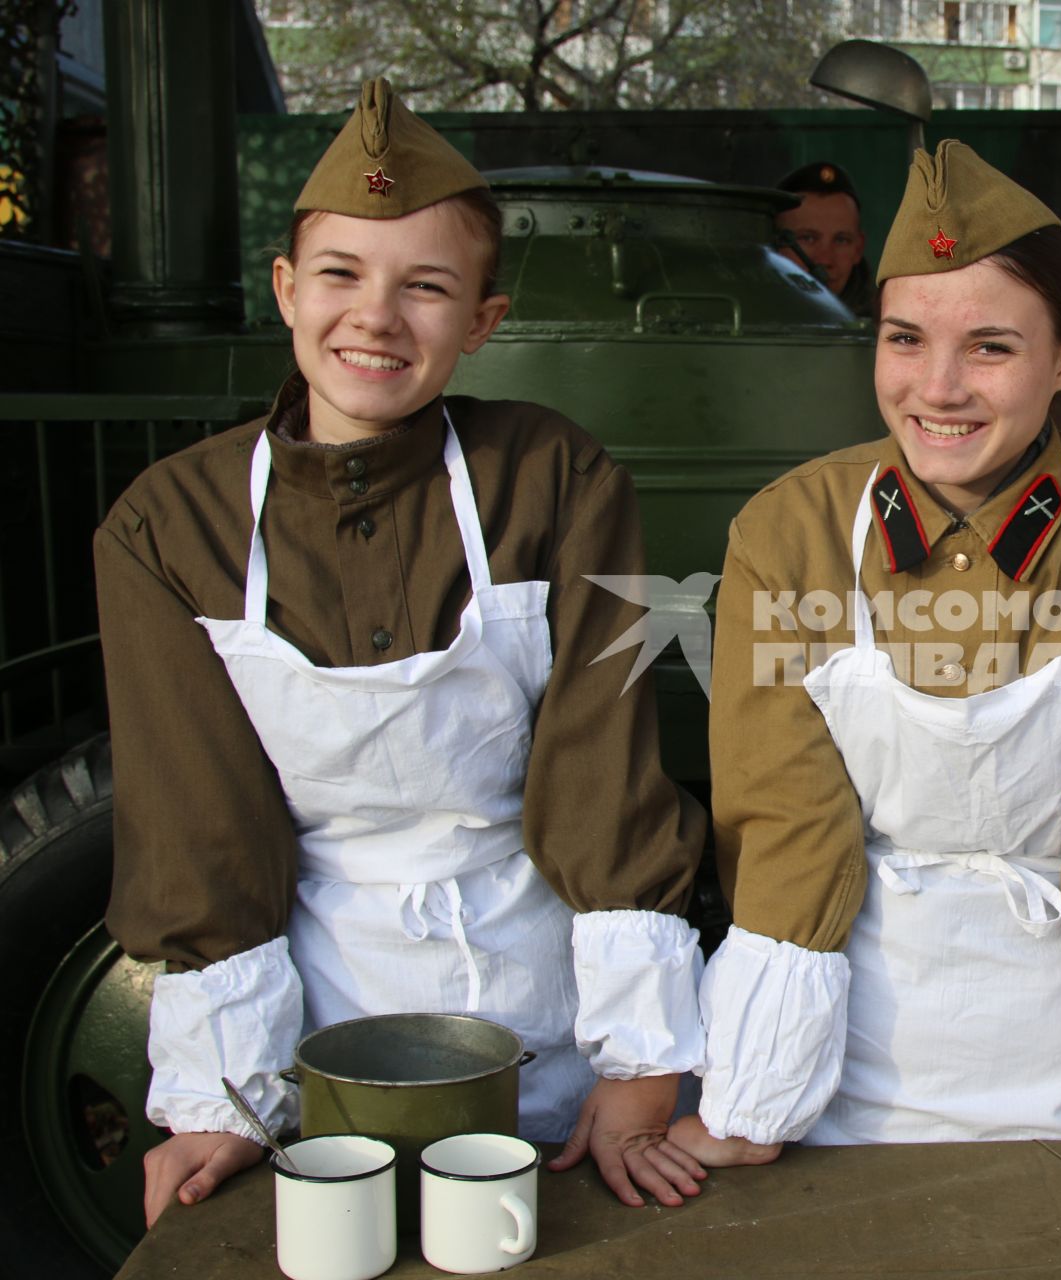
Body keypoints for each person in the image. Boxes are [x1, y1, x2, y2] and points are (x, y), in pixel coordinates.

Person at [97, 79, 709, 1226]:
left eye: (426, 287)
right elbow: (198, 828)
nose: (375, 318)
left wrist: (639, 1065)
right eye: (340, 274)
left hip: (556, 1017)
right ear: (285, 290)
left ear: (482, 320)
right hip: (318, 1042)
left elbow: (605, 778)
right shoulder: (169, 525)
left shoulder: (553, 477)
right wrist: (223, 1096)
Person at [673, 140, 1061, 1159]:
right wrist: (756, 1101)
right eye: (904, 340)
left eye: (991, 347)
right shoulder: (789, 532)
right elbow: (785, 821)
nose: (937, 388)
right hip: (839, 1059)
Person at [773, 161, 875, 318]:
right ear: (773, 244)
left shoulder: (883, 326)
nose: (825, 260)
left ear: (858, 249)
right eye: (807, 238)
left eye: (841, 240)